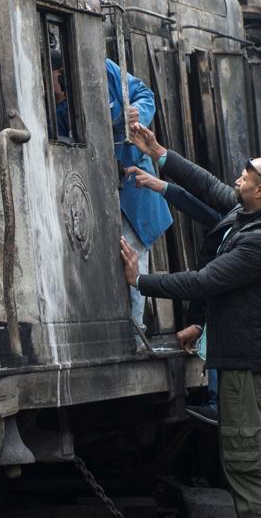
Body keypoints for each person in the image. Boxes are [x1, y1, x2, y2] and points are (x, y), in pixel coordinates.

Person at [127, 124, 261, 518]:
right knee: (249, 459)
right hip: (254, 357)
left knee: (252, 461)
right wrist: (161, 155)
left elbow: (209, 280)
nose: (235, 181)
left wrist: (140, 280)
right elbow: (208, 191)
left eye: (245, 178)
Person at [52, 51, 173, 331]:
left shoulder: (104, 68)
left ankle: (135, 329)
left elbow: (145, 95)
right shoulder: (61, 113)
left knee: (132, 256)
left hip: (132, 188)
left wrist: (136, 114)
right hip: (92, 196)